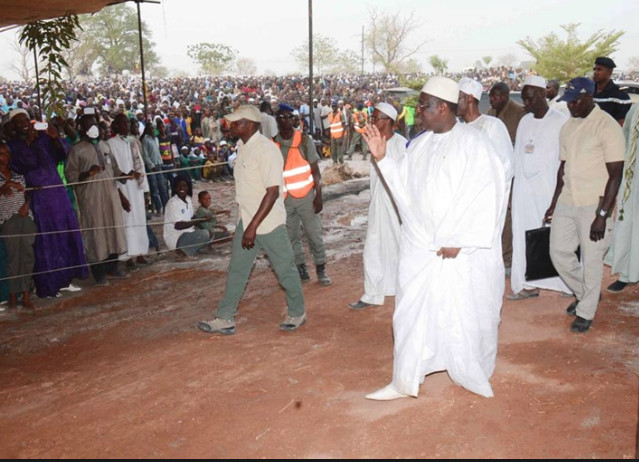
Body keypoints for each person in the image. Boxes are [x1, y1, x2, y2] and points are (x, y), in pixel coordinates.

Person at [362, 77, 507, 400]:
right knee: (411, 312)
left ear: (442, 107)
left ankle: (472, 371)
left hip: (460, 252)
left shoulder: (475, 144)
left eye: (422, 105)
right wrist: (383, 158)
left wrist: (461, 237)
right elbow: (404, 190)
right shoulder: (421, 144)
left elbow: (487, 195)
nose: (416, 112)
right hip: (422, 249)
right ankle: (404, 379)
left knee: (465, 313)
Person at [198, 105, 306, 335]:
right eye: (233, 122)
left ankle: (297, 312)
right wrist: (247, 225)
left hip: (267, 223)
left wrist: (253, 227)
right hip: (247, 220)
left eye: (238, 122)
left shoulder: (266, 150)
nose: (233, 125)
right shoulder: (242, 147)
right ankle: (225, 317)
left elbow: (272, 192)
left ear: (252, 125)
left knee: (284, 268)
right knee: (237, 269)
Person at [545, 77, 625, 333]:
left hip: (594, 202)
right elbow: (563, 168)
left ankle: (586, 310)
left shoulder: (607, 126)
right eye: (568, 102)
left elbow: (616, 174)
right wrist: (553, 203)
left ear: (589, 97)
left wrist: (602, 214)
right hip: (568, 199)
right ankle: (584, 292)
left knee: (591, 260)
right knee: (558, 252)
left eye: (575, 101)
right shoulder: (567, 127)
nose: (570, 106)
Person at [6, 109, 88, 298]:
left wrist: (54, 137)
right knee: (45, 240)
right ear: (13, 126)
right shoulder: (12, 146)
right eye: (19, 122)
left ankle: (66, 279)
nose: (24, 124)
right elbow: (16, 168)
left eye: (26, 119)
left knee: (64, 233)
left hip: (56, 192)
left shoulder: (43, 138)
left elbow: (63, 154)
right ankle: (49, 285)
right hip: (36, 196)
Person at [507, 76, 571, 300]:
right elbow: (516, 159)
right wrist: (512, 190)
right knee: (522, 235)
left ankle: (565, 284)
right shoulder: (525, 121)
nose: (526, 103)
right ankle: (524, 284)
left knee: (553, 237)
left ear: (543, 94)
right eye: (524, 99)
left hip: (549, 190)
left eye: (530, 98)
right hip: (524, 192)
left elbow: (565, 163)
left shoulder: (562, 121)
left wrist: (557, 199)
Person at [348, 103, 407, 310]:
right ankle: (372, 293)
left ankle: (405, 291)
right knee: (373, 246)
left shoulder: (402, 144)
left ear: (389, 121)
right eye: (372, 118)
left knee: (401, 247)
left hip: (397, 206)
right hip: (378, 204)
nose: (373, 122)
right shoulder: (372, 142)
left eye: (377, 118)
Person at [65, 111, 129, 286]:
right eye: (88, 124)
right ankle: (99, 272)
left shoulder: (104, 146)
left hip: (109, 194)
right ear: (81, 128)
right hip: (91, 198)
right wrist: (87, 173)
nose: (93, 127)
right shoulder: (76, 150)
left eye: (95, 123)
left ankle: (113, 266)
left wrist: (125, 175)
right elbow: (70, 175)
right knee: (96, 231)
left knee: (113, 227)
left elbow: (114, 169)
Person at [274, 103, 331, 286]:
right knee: (291, 236)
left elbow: (315, 171)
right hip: (285, 199)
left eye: (287, 117)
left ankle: (321, 267)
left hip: (306, 196)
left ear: (293, 119)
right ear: (277, 120)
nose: (284, 120)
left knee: (313, 233)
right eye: (281, 117)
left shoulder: (304, 140)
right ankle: (300, 268)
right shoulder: (272, 143)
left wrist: (319, 195)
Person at [488, 81, 525, 275]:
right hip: (495, 173)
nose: (492, 100)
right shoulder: (490, 114)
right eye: (491, 96)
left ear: (505, 96)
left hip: (514, 172)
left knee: (509, 218)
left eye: (495, 96)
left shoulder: (519, 113)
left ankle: (508, 259)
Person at [108, 113, 149, 269]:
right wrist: (119, 194)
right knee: (127, 222)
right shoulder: (111, 144)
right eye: (123, 123)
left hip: (136, 189)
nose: (127, 126)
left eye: (128, 123)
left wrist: (145, 191)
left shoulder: (132, 142)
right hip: (123, 188)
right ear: (117, 126)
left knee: (139, 220)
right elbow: (113, 171)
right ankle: (127, 256)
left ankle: (140, 253)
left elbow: (140, 166)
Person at [605, 102, 639, 292]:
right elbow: (625, 142)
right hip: (634, 184)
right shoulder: (635, 110)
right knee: (630, 227)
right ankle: (628, 273)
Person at [0, 142, 36, 310]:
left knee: (27, 257)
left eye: (6, 153)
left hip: (25, 217)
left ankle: (26, 294)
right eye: (0, 153)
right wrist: (8, 186)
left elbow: (26, 195)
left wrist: (27, 204)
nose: (3, 157)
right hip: (8, 220)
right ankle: (13, 295)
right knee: (13, 258)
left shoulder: (18, 175)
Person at [163, 174, 211, 258]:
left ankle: (191, 249)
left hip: (188, 233)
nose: (182, 188)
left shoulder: (188, 199)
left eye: (184, 185)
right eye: (179, 186)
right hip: (177, 238)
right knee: (204, 234)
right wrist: (201, 220)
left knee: (211, 234)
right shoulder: (173, 203)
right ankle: (184, 251)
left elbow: (192, 217)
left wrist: (205, 227)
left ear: (188, 187)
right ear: (175, 188)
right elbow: (179, 225)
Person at [592, 57, 632, 126]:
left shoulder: (620, 96)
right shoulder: (588, 92)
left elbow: (622, 124)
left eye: (599, 70)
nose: (595, 72)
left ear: (609, 72)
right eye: (594, 69)